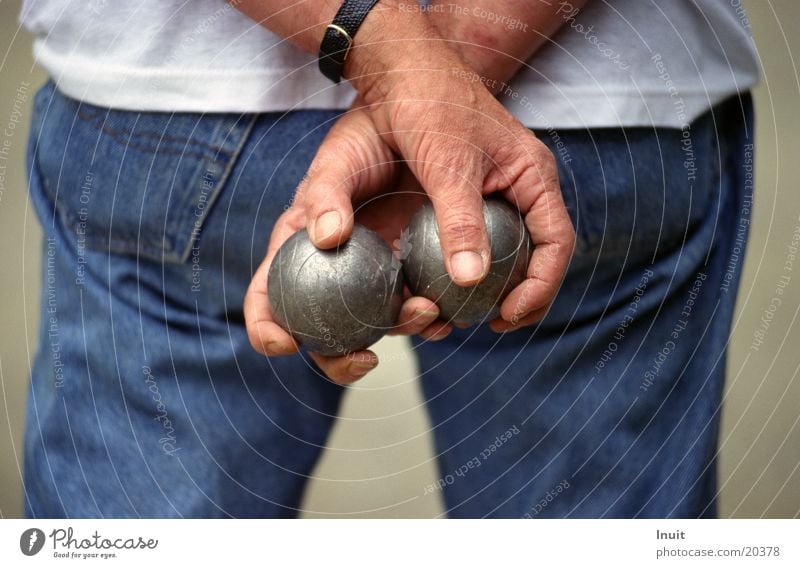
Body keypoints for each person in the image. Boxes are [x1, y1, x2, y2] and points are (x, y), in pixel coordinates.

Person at [20, 0, 759, 517]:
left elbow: (410, 79)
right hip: (587, 106)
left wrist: (399, 69)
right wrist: (436, 81)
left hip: (168, 100)